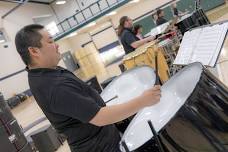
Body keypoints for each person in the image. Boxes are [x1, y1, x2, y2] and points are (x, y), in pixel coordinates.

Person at [15, 24, 161, 152]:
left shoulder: (44, 73)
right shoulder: (54, 86)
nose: (57, 44)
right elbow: (100, 118)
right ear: (34, 51)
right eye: (50, 41)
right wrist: (143, 101)